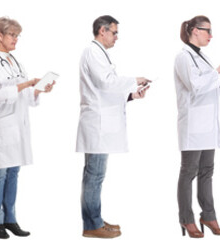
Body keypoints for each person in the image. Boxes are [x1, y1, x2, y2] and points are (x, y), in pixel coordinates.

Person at [76, 15, 151, 239]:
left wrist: (131, 95)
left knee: (97, 175)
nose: (117, 37)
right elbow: (104, 83)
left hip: (103, 122)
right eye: (114, 32)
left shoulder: (101, 54)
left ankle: (95, 219)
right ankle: (91, 224)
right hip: (96, 124)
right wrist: (134, 79)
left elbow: (107, 90)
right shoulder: (92, 52)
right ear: (102, 31)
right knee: (94, 175)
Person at [0, 16, 55, 239]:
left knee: (14, 173)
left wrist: (39, 89)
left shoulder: (16, 62)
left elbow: (25, 95)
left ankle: (10, 219)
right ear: (0, 35)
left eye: (17, 35)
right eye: (12, 34)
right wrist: (28, 83)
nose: (15, 39)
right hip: (2, 127)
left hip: (18, 127)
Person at [173, 15, 220, 238]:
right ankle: (186, 219)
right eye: (206, 30)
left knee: (207, 171)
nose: (210, 35)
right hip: (193, 125)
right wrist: (216, 75)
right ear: (194, 31)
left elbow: (207, 84)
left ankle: (209, 215)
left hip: (207, 125)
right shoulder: (183, 57)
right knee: (189, 172)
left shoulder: (203, 57)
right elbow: (195, 86)